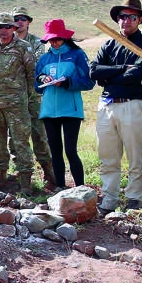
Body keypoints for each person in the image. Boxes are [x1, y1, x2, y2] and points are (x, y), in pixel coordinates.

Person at [90, 0, 142, 213]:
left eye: (131, 17)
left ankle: (134, 199)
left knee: (136, 155)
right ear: (118, 19)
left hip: (132, 104)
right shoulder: (109, 43)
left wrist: (109, 76)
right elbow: (94, 72)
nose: (126, 20)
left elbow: (141, 73)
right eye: (122, 16)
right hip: (107, 105)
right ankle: (109, 199)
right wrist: (122, 69)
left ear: (139, 20)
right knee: (108, 156)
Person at [35, 19, 94, 189]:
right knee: (55, 151)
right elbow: (37, 86)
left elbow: (88, 82)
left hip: (71, 110)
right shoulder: (44, 58)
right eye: (51, 40)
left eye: (58, 39)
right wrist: (42, 79)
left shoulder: (78, 55)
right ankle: (60, 187)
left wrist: (67, 82)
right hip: (48, 111)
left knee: (70, 150)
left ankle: (80, 188)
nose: (54, 42)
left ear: (65, 38)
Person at [0, 11, 37, 192]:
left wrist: (22, 95)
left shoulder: (24, 47)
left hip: (17, 104)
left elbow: (32, 75)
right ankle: (0, 178)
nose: (3, 30)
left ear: (13, 28)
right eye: (0, 27)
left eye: (7, 27)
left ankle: (26, 183)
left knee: (20, 142)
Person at [10, 7, 57, 188]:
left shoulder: (37, 42)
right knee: (13, 137)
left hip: (32, 97)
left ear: (29, 22)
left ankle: (49, 172)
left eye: (23, 18)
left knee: (39, 134)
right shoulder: (7, 42)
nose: (19, 21)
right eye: (16, 18)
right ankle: (21, 170)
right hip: (12, 97)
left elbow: (36, 66)